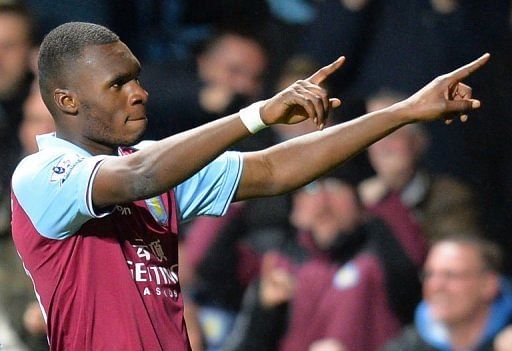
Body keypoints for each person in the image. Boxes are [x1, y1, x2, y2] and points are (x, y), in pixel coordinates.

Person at [10, 21, 488, 351]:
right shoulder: (42, 176)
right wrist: (257, 114)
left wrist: (404, 111)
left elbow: (274, 170)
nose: (139, 92)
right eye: (117, 84)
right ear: (67, 100)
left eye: (136, 77)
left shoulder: (153, 167)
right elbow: (140, 176)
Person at [223, 178, 424, 351]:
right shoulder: (277, 266)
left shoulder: (378, 259)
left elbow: (411, 291)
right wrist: (265, 312)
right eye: (312, 188)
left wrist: (383, 205)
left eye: (335, 186)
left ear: (358, 205)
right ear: (295, 211)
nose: (324, 199)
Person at [382, 235, 512, 351]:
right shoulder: (409, 344)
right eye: (429, 275)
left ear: (488, 284)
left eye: (450, 275)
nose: (436, 286)